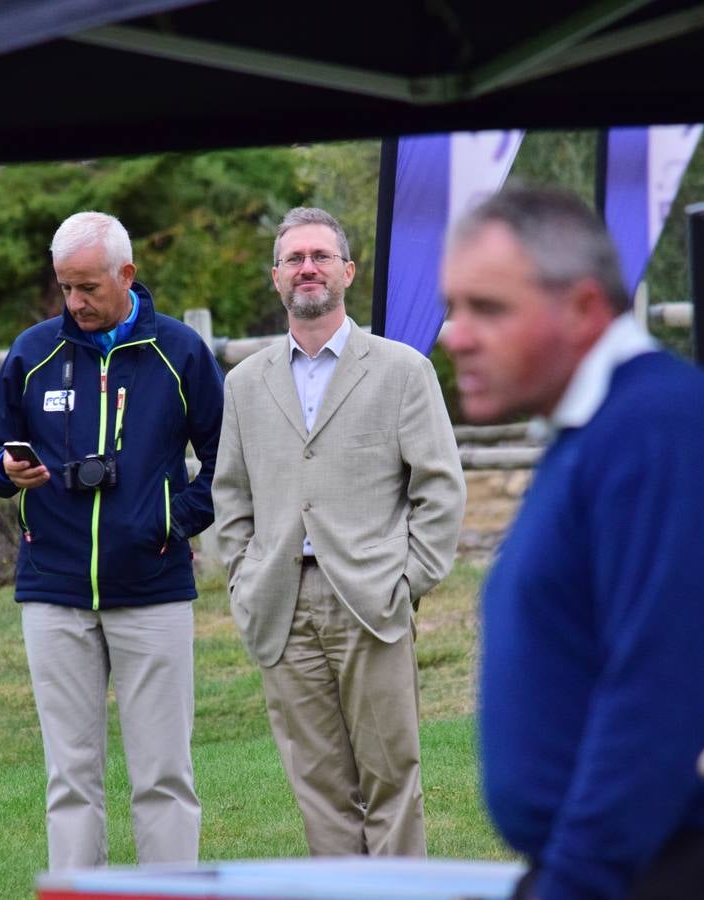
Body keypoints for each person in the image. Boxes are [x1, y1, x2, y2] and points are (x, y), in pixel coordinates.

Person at [440, 186, 704, 900]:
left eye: (487, 308)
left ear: (585, 308)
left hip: (698, 868)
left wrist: (576, 881)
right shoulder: (601, 432)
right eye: (452, 306)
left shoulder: (659, 428)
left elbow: (657, 693)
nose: (454, 335)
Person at [0, 211, 224, 871]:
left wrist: (171, 520)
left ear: (127, 275)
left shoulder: (181, 352)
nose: (74, 303)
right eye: (65, 288)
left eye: (87, 287)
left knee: (164, 774)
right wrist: (5, 470)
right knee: (70, 777)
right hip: (53, 591)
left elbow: (232, 463)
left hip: (154, 588)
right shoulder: (32, 353)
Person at [212, 206, 466, 857]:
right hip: (280, 604)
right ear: (276, 278)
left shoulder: (401, 370)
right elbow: (230, 496)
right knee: (319, 790)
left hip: (371, 600)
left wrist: (409, 580)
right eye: (294, 258)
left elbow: (439, 488)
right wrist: (242, 580)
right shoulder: (243, 385)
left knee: (390, 779)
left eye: (320, 256)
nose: (307, 268)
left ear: (347, 271)